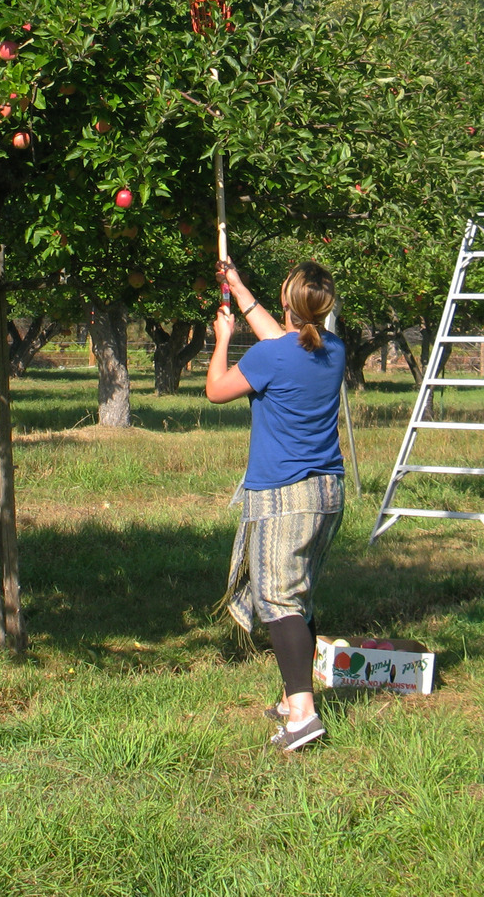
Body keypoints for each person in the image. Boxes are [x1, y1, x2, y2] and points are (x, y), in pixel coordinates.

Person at [206, 259, 346, 754]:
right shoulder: (333, 350)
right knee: (298, 594)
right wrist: (240, 290)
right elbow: (282, 339)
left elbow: (216, 390)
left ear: (287, 303)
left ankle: (304, 716)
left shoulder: (272, 358)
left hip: (285, 497)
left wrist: (223, 338)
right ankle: (293, 698)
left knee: (278, 601)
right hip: (328, 494)